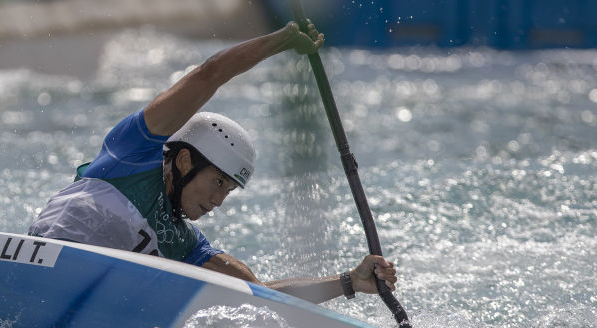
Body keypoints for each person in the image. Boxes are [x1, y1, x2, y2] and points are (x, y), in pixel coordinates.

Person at [29, 20, 397, 304]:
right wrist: (281, 41)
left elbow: (257, 295)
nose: (220, 201)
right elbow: (209, 74)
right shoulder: (131, 153)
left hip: (90, 296)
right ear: (185, 160)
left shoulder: (184, 243)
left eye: (230, 190)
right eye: (219, 182)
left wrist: (349, 281)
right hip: (34, 263)